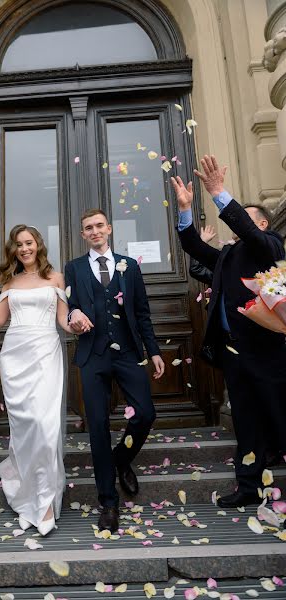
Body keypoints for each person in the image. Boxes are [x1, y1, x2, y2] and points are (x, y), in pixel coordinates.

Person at [171, 154, 286, 508]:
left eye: (245, 218)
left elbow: (250, 232)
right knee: (245, 421)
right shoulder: (227, 255)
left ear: (262, 225)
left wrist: (220, 193)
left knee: (280, 418)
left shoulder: (269, 246)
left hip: (266, 352)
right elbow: (192, 246)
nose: (236, 223)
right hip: (234, 353)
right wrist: (186, 210)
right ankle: (248, 488)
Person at [0, 224, 70, 536]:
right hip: (15, 356)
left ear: (38, 245)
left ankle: (45, 503)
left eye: (29, 242)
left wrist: (77, 324)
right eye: (19, 244)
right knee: (24, 429)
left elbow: (63, 319)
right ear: (14, 250)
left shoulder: (56, 278)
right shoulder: (10, 281)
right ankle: (27, 499)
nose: (24, 248)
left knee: (44, 426)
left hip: (46, 353)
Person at [65, 209, 165, 533]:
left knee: (145, 414)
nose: (94, 231)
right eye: (87, 228)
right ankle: (108, 503)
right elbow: (68, 308)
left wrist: (154, 352)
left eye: (98, 226)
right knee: (97, 425)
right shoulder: (74, 268)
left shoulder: (130, 266)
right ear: (83, 235)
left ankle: (121, 459)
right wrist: (74, 314)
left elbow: (142, 313)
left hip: (128, 353)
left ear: (109, 228)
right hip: (92, 355)